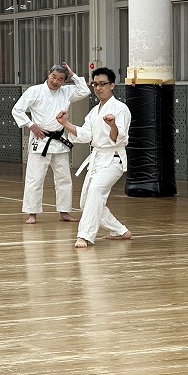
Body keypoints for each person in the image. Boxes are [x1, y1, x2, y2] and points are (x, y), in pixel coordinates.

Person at [55, 67, 132, 248]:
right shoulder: (94, 111)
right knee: (85, 202)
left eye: (103, 84)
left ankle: (85, 235)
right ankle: (120, 231)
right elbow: (85, 135)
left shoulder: (121, 109)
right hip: (97, 159)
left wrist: (113, 125)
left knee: (96, 192)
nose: (98, 88)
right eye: (95, 84)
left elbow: (119, 138)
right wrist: (66, 123)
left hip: (113, 160)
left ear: (112, 85)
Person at [12, 63, 90, 224]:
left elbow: (85, 90)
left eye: (60, 79)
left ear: (64, 81)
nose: (55, 81)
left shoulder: (67, 92)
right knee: (35, 178)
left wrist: (73, 75)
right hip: (40, 139)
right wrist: (31, 126)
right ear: (49, 74)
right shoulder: (34, 91)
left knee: (64, 179)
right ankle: (32, 213)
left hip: (59, 140)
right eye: (53, 76)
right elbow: (17, 109)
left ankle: (64, 212)